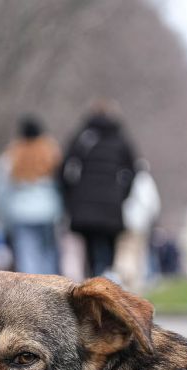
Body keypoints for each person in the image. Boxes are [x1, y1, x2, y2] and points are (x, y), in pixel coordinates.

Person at [60, 100, 137, 278]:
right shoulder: (120, 139)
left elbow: (65, 168)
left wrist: (71, 197)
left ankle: (94, 283)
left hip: (85, 205)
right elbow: (132, 170)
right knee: (110, 248)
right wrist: (122, 194)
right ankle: (108, 282)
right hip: (111, 203)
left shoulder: (82, 137)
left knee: (90, 249)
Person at [0, 115, 61, 275]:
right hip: (47, 211)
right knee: (48, 254)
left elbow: (0, 188)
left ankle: (30, 291)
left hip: (20, 213)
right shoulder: (50, 154)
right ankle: (49, 291)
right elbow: (60, 184)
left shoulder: (11, 156)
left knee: (26, 255)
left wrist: (1, 216)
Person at [116, 159, 160, 290]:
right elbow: (153, 205)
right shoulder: (146, 182)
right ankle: (132, 283)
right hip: (140, 225)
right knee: (136, 255)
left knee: (125, 253)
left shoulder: (125, 178)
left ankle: (124, 280)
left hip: (125, 222)